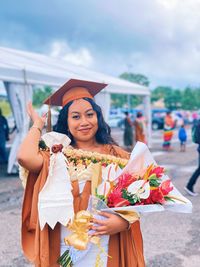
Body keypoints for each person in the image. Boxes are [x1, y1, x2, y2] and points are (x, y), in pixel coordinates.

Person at [17, 79, 145, 267]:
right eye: (76, 117)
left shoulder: (116, 155)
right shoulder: (56, 154)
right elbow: (25, 157)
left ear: (98, 118)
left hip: (105, 245)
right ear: (66, 122)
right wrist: (37, 125)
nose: (84, 122)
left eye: (89, 114)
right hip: (63, 245)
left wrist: (123, 222)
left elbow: (140, 196)